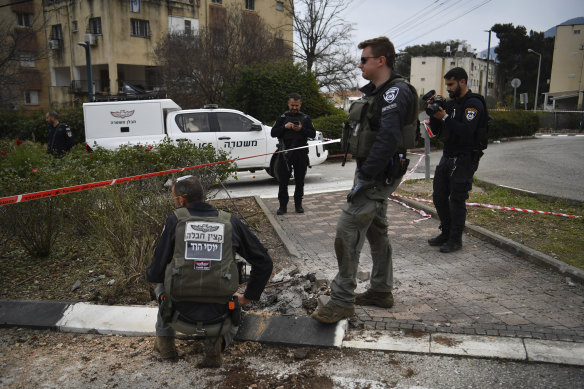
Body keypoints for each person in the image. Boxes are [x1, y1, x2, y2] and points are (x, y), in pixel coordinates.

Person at [311, 37, 415, 324]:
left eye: (365, 59)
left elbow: (389, 137)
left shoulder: (396, 92)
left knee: (347, 230)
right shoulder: (379, 93)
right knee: (376, 231)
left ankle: (342, 299)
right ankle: (381, 291)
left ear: (381, 60)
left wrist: (367, 175)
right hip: (371, 172)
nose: (360, 64)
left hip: (377, 174)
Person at [146, 175, 273, 366]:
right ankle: (214, 347)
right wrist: (248, 296)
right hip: (219, 315)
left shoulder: (175, 221)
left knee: (161, 280)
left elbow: (155, 271)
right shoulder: (230, 222)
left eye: (175, 199)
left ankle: (166, 347)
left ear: (182, 200)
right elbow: (264, 262)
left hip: (179, 314)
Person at [427, 67, 486, 253]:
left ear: (462, 82)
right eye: (447, 85)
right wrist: (433, 114)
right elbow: (437, 131)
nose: (449, 88)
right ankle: (445, 233)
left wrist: (444, 116)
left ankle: (455, 240)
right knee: (439, 196)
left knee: (457, 200)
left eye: (451, 84)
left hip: (465, 157)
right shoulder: (451, 104)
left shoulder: (473, 104)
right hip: (448, 155)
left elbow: (467, 131)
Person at [271, 93, 316, 215]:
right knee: (283, 182)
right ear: (288, 104)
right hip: (284, 154)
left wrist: (301, 129)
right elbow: (273, 133)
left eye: (297, 105)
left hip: (300, 153)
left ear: (300, 104)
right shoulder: (282, 117)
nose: (294, 108)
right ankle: (282, 207)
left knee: (300, 181)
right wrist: (285, 127)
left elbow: (313, 134)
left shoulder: (305, 118)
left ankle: (298, 205)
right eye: (292, 105)